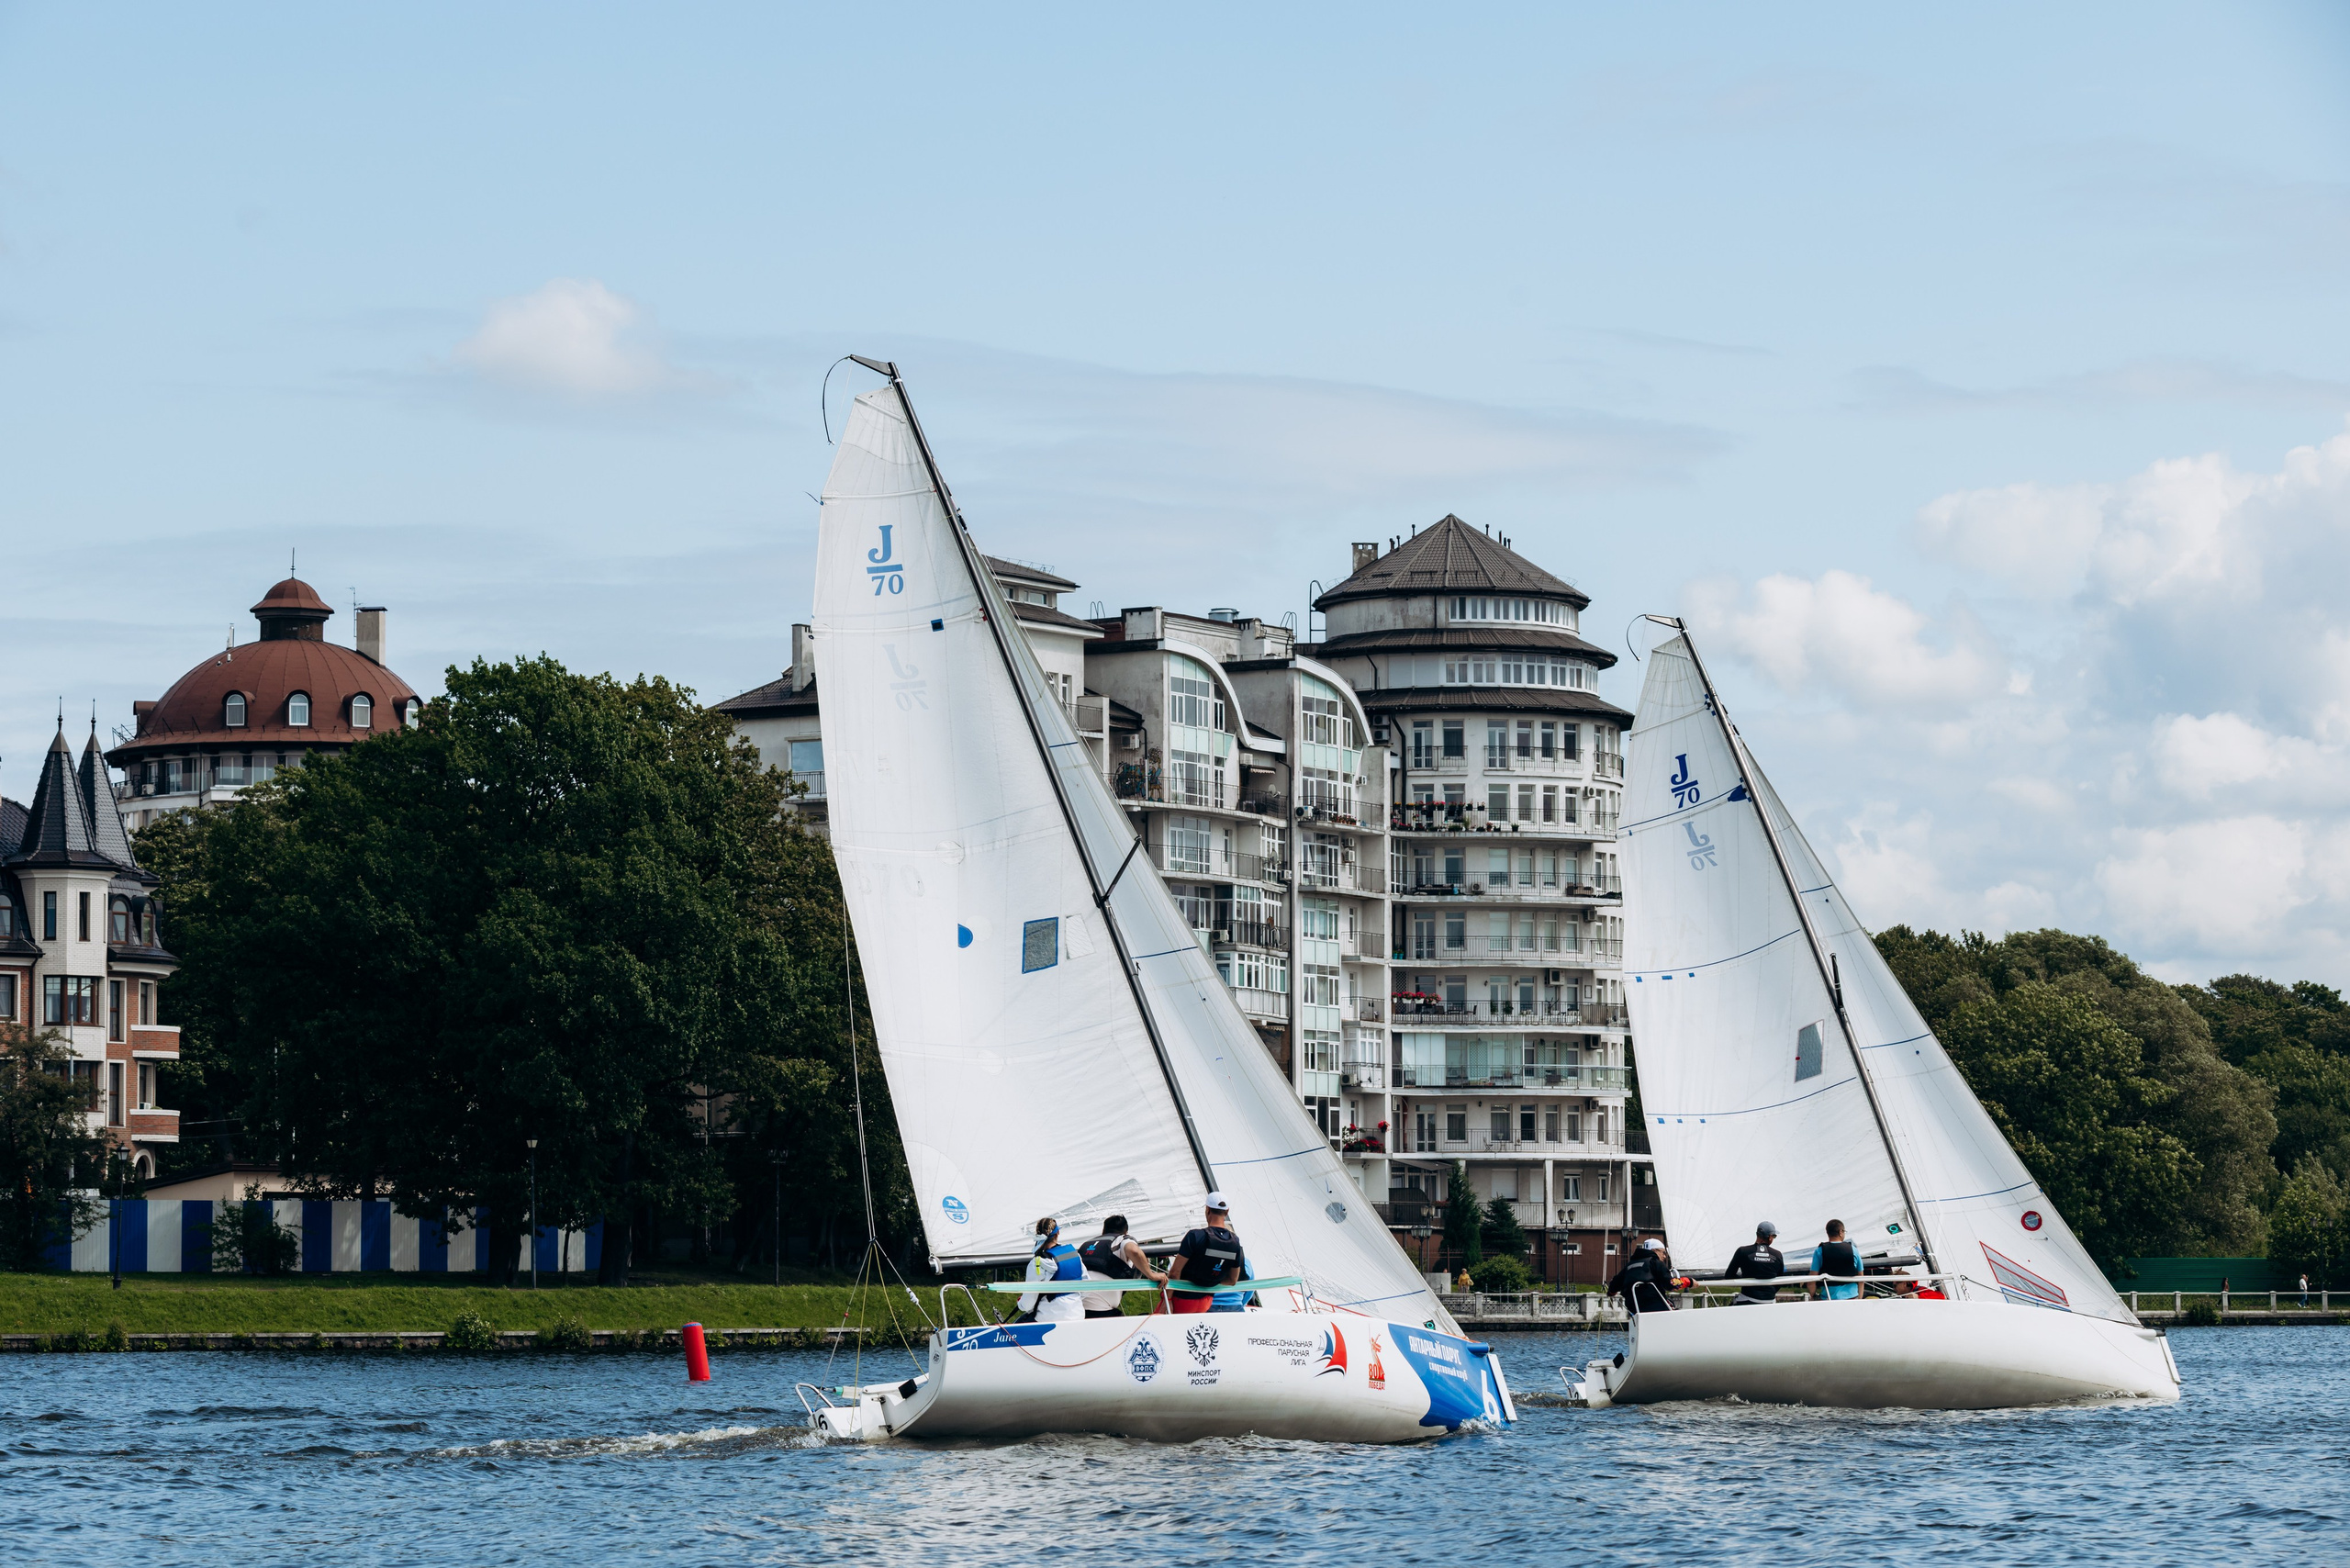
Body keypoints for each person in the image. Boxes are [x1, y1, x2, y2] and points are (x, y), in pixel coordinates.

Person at [1076, 1213, 1168, 1320]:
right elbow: (1134, 1251)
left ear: (1103, 1230)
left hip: (1079, 1309)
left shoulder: (1086, 1244)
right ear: (1125, 1231)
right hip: (1102, 1311)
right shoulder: (1122, 1239)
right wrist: (1151, 1275)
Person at [1167, 1193, 1245, 1316]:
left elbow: (1175, 1272)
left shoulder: (1194, 1236)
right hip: (1206, 1301)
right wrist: (1209, 1281)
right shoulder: (1235, 1242)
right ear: (1227, 1211)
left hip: (1182, 1299)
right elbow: (1232, 1280)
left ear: (1207, 1210)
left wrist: (1168, 1299)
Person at [1016, 1217, 1086, 1324]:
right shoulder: (1074, 1255)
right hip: (1077, 1315)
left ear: (1037, 1235)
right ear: (1058, 1232)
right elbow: (1087, 1289)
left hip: (1048, 1318)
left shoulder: (1037, 1263)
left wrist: (1021, 1304)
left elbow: (1028, 1304)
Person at [1608, 1238, 1679, 1316]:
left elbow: (1613, 1287)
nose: (1664, 1256)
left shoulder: (1629, 1266)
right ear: (1654, 1251)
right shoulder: (1656, 1263)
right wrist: (1689, 1282)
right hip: (1656, 1307)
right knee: (1676, 1311)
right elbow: (1671, 1284)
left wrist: (1611, 1292)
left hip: (1635, 1309)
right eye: (1663, 1252)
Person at [1721, 1220, 1786, 1305]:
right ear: (1770, 1237)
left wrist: (1746, 1281)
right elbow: (1779, 1280)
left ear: (1757, 1234)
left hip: (1747, 1299)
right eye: (1774, 1236)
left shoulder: (1742, 1251)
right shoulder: (1777, 1255)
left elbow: (1729, 1275)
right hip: (1769, 1301)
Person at [1809, 1220, 1861, 1301]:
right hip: (1852, 1298)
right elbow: (1861, 1277)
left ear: (1828, 1233)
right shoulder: (1854, 1250)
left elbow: (1812, 1280)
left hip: (1828, 1298)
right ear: (1841, 1232)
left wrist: (1813, 1295)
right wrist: (1860, 1298)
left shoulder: (1819, 1251)